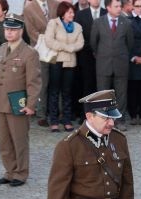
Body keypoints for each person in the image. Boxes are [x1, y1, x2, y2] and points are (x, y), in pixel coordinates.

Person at [0, 14, 41, 187]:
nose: (9, 32)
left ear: (21, 30)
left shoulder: (29, 53)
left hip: (18, 103)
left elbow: (33, 82)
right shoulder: (3, 48)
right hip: (1, 102)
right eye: (6, 29)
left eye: (13, 29)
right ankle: (9, 171)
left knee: (19, 140)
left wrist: (31, 104)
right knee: (4, 141)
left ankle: (21, 173)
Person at [90, 0, 134, 131]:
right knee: (103, 94)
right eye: (116, 6)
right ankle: (102, 120)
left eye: (120, 6)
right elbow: (93, 42)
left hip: (121, 63)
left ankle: (120, 120)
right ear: (108, 8)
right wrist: (103, 54)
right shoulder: (98, 22)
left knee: (121, 93)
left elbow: (130, 43)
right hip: (104, 63)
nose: (119, 9)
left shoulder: (126, 23)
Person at [45, 1, 84, 132]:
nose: (72, 14)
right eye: (69, 12)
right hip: (57, 61)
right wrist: (67, 47)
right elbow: (49, 41)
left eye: (73, 12)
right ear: (62, 13)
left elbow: (80, 43)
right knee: (54, 91)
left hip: (70, 62)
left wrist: (69, 48)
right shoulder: (53, 23)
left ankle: (67, 120)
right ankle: (54, 121)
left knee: (67, 92)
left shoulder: (77, 27)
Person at [23, 0, 59, 127]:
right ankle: (41, 114)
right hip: (40, 49)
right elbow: (31, 31)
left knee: (56, 81)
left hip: (56, 47)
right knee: (42, 82)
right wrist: (47, 41)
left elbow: (60, 25)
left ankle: (55, 112)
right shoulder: (29, 8)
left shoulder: (55, 4)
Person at [74, 0, 106, 122]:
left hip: (104, 56)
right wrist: (92, 49)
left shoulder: (106, 12)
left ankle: (101, 114)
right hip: (86, 55)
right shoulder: (81, 14)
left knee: (102, 86)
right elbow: (78, 35)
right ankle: (86, 114)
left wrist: (100, 50)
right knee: (87, 85)